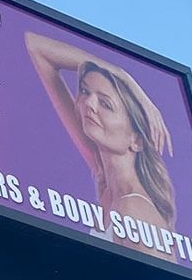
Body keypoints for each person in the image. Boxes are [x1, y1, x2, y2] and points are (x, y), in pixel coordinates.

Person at [24, 32, 176, 260]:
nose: (89, 104)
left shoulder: (134, 208)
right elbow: (36, 46)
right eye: (85, 91)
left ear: (136, 140)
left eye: (106, 104)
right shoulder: (105, 178)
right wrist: (122, 75)